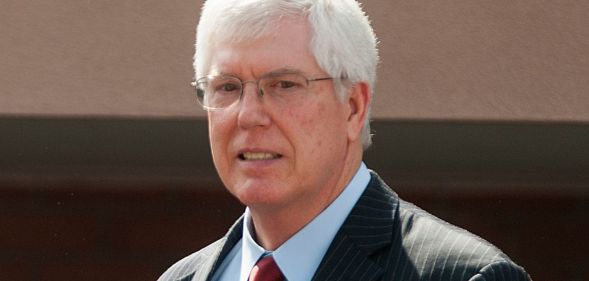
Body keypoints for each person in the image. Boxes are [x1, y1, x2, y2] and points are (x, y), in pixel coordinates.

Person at [159, 0, 531, 280]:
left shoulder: (465, 276)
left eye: (284, 85)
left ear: (353, 107)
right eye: (227, 87)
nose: (248, 115)